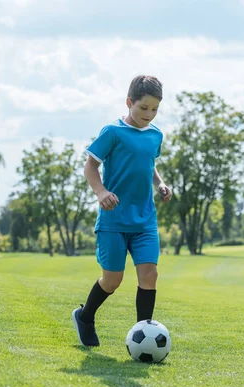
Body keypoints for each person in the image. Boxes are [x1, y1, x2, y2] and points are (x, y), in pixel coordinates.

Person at [72, 74, 172, 347]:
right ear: (129, 102)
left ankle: (144, 338)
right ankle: (85, 316)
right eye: (143, 108)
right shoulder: (112, 132)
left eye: (154, 109)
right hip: (113, 221)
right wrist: (101, 192)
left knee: (149, 276)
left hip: (144, 221)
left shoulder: (155, 135)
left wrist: (161, 184)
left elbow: (149, 164)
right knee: (112, 280)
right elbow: (90, 167)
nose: (149, 115)